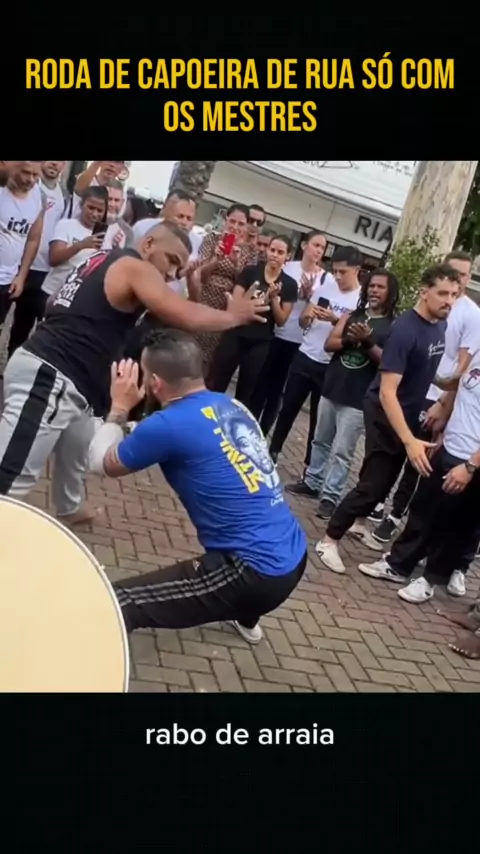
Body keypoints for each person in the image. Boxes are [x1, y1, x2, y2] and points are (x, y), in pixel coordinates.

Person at [0, 221, 269, 525]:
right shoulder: (135, 266)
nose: (172, 273)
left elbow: (54, 302)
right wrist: (235, 316)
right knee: (11, 474)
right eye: (171, 260)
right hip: (51, 375)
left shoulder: (103, 259)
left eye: (179, 268)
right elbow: (185, 316)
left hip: (69, 379)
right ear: (149, 244)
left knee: (77, 447)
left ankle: (70, 507)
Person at [88, 331, 308, 643]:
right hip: (295, 553)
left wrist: (120, 407)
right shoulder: (231, 405)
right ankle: (246, 617)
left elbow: (100, 463)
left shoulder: (166, 425)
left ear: (155, 383)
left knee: (117, 601)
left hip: (254, 574)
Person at [315, 263, 459, 575]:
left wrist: (452, 383)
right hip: (385, 414)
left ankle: (357, 525)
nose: (449, 300)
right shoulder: (405, 330)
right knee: (373, 485)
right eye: (443, 293)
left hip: (407, 413)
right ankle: (329, 539)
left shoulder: (439, 325)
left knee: (384, 483)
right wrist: (409, 441)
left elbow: (424, 369)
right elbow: (387, 391)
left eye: (454, 294)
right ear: (424, 292)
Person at [370, 251, 480, 553]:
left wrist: (444, 404)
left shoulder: (471, 315)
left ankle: (395, 517)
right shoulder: (429, 314)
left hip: (439, 403)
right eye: (451, 275)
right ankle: (380, 507)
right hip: (416, 394)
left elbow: (463, 370)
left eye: (462, 277)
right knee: (396, 454)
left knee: (420, 466)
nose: (455, 284)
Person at [358, 351, 480, 604]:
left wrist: (470, 466)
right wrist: (443, 416)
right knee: (422, 508)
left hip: (471, 461)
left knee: (453, 524)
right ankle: (398, 564)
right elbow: (460, 385)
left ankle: (430, 580)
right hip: (450, 446)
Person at [286, 268, 399, 524]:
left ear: (390, 292)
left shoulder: (393, 326)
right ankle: (312, 482)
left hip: (358, 397)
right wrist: (349, 339)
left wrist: (368, 343)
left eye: (380, 287)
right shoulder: (351, 315)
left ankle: (330, 496)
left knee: (342, 451)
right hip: (333, 387)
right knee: (320, 440)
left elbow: (389, 362)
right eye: (371, 286)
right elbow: (329, 344)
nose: (374, 290)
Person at [269, 245, 362, 466]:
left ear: (356, 270)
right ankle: (273, 451)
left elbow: (355, 336)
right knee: (287, 408)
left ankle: (310, 468)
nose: (338, 276)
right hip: (306, 355)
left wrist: (334, 319)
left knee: (319, 421)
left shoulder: (360, 300)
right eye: (335, 271)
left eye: (343, 272)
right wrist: (307, 317)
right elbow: (303, 321)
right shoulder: (325, 289)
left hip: (331, 364)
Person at [249, 231, 329, 436]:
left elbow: (321, 308)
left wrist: (310, 296)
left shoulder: (325, 278)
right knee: (260, 385)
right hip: (277, 333)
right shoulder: (288, 267)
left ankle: (263, 434)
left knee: (278, 392)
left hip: (301, 341)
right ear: (304, 245)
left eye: (322, 247)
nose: (318, 251)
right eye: (316, 245)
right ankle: (249, 429)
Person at [209, 235, 297, 408]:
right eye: (272, 250)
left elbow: (281, 320)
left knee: (245, 392)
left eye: (280, 252)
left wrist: (273, 299)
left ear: (288, 256)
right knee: (217, 382)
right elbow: (235, 304)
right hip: (235, 334)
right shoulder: (250, 272)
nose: (274, 255)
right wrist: (255, 300)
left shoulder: (289, 284)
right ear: (267, 250)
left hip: (260, 342)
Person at [196, 203, 257, 373]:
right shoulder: (211, 239)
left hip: (227, 305)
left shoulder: (250, 252)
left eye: (241, 224)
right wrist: (216, 260)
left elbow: (246, 285)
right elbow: (200, 274)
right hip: (204, 297)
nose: (235, 227)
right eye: (232, 221)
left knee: (214, 359)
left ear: (246, 226)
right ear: (226, 220)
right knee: (193, 349)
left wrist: (236, 264)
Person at [39, 186, 109, 308]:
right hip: (52, 291)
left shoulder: (106, 236)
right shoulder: (66, 225)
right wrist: (81, 245)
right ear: (81, 205)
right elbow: (54, 259)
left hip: (77, 299)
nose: (94, 214)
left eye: (99, 210)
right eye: (91, 208)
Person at [0, 161, 45, 329]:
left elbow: (33, 239)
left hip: (7, 279)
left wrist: (21, 276)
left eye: (36, 175)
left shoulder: (38, 197)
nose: (31, 179)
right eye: (26, 173)